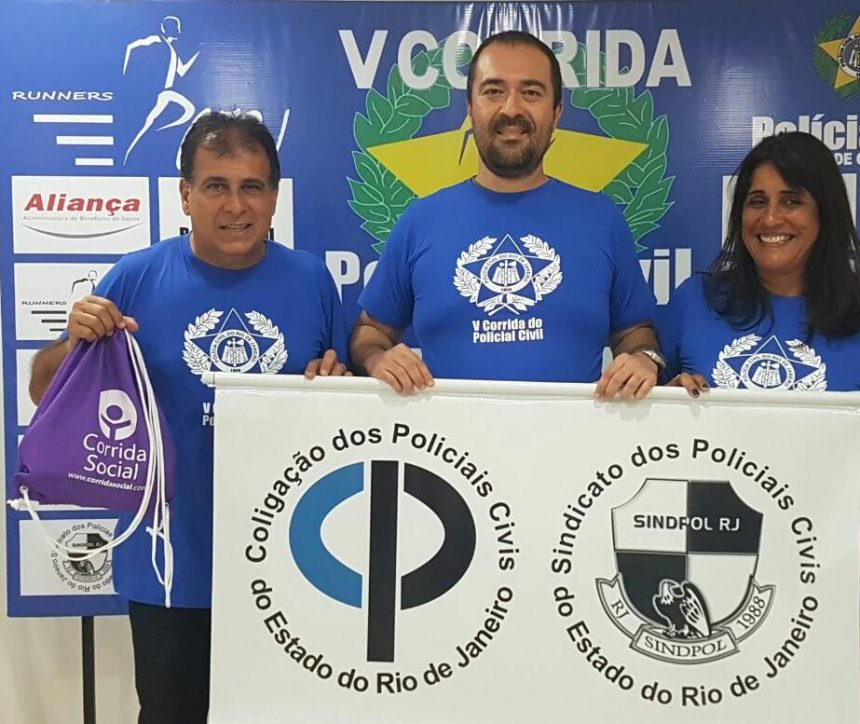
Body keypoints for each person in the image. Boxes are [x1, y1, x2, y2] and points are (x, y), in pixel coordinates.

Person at [28, 112, 349, 724]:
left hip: (291, 560)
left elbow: (345, 405)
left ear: (274, 196)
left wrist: (339, 385)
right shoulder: (136, 276)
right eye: (216, 186)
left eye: (252, 186)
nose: (236, 206)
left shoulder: (312, 280)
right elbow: (47, 391)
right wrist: (74, 344)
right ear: (185, 194)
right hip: (168, 564)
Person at [350, 30, 663, 400]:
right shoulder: (420, 222)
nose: (511, 109)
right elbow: (370, 332)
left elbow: (636, 333)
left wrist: (645, 359)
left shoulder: (603, 220)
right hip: (445, 438)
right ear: (470, 108)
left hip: (573, 437)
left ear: (556, 112)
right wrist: (376, 358)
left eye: (531, 92)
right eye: (493, 91)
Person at [662, 131, 860, 429]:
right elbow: (644, 437)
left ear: (825, 214)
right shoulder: (693, 302)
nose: (770, 219)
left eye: (791, 201)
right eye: (757, 202)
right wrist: (663, 406)